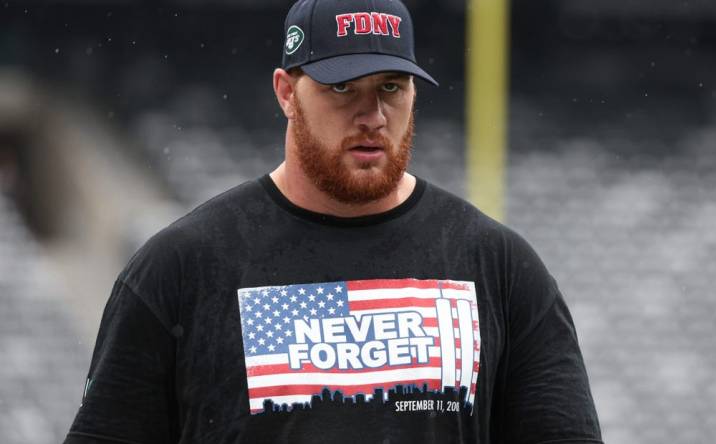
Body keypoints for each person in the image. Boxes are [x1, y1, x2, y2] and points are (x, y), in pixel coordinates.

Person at [65, 0, 603, 443]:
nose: (372, 116)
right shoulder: (181, 267)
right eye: (342, 87)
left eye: (392, 86)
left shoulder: (499, 268)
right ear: (285, 92)